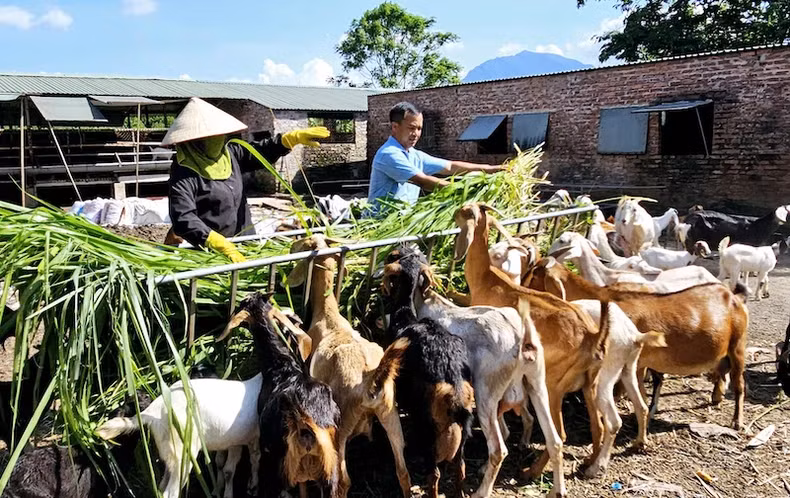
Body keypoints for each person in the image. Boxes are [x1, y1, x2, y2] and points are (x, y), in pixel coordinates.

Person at [164, 97, 329, 262]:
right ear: (192, 141)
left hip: (246, 243)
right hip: (211, 254)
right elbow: (183, 217)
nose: (217, 140)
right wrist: (217, 243)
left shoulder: (230, 154)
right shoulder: (184, 172)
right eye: (209, 137)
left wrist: (288, 140)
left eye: (219, 135)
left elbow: (260, 151)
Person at [367, 101, 504, 213]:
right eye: (411, 128)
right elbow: (423, 181)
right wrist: (466, 190)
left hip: (401, 224)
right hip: (380, 225)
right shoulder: (389, 154)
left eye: (419, 129)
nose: (416, 134)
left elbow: (450, 166)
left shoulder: (414, 155)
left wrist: (495, 169)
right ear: (395, 127)